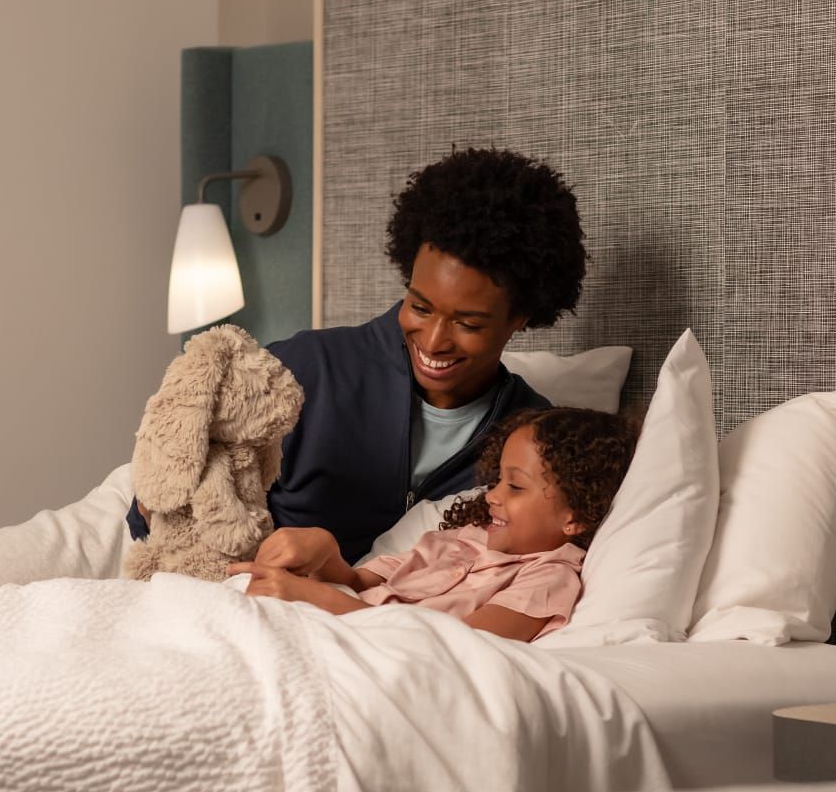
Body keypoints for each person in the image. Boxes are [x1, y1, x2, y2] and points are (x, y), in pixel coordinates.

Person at [127, 148, 590, 565]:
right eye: (420, 307)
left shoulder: (536, 438)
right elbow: (156, 512)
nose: (433, 341)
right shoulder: (302, 371)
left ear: (521, 318)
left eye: (468, 324)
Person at [236, 407, 640, 643]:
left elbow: (456, 648)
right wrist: (324, 551)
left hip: (375, 651)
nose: (492, 496)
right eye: (497, 480)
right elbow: (359, 583)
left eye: (515, 486)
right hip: (336, 625)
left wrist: (322, 602)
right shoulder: (458, 541)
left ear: (576, 517)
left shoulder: (548, 578)